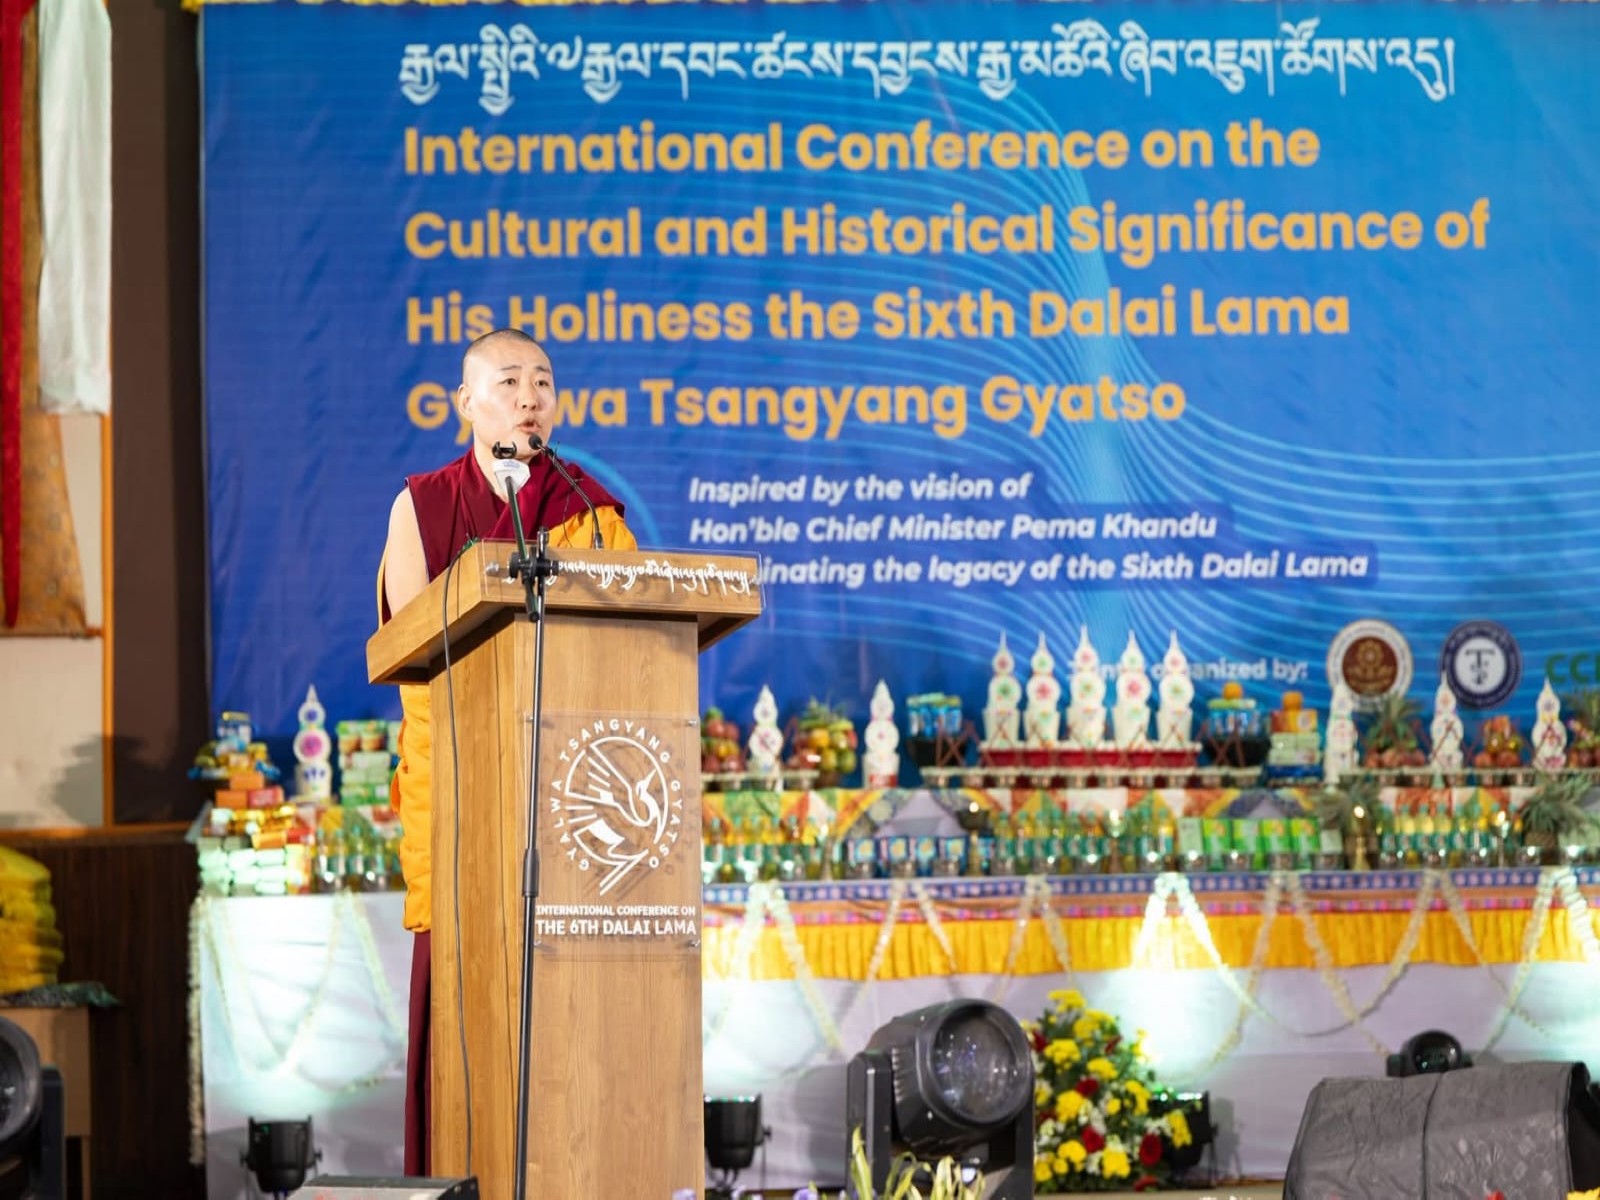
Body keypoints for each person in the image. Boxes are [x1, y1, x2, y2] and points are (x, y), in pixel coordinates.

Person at [376, 329, 636, 1174]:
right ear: (468, 404)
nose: (531, 398)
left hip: (569, 797)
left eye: (544, 383)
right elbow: (404, 644)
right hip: (462, 793)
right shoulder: (422, 505)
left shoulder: (587, 504)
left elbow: (633, 634)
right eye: (510, 381)